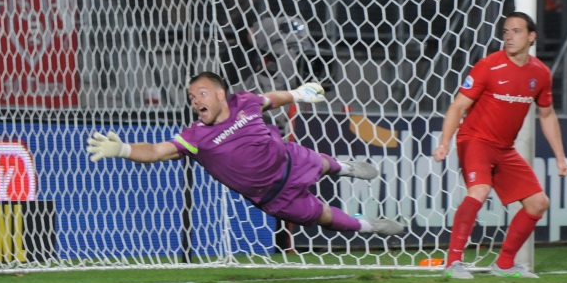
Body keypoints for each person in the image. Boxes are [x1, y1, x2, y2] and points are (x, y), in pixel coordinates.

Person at [87, 72, 405, 238]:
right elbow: (157, 151)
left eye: (201, 93)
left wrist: (298, 94)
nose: (195, 101)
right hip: (273, 198)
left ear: (220, 94)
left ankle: (345, 167)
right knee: (324, 218)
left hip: (290, 161)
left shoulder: (244, 102)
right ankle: (369, 227)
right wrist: (123, 149)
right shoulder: (195, 136)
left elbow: (270, 98)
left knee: (321, 162)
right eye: (191, 97)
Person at [432, 12, 567, 279]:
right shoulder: (488, 66)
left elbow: (547, 114)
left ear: (532, 37)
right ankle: (453, 262)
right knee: (480, 190)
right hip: (475, 140)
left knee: (538, 203)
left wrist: (560, 157)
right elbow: (458, 105)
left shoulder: (540, 74)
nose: (509, 36)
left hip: (504, 149)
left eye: (516, 31)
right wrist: (444, 143)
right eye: (506, 31)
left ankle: (505, 264)